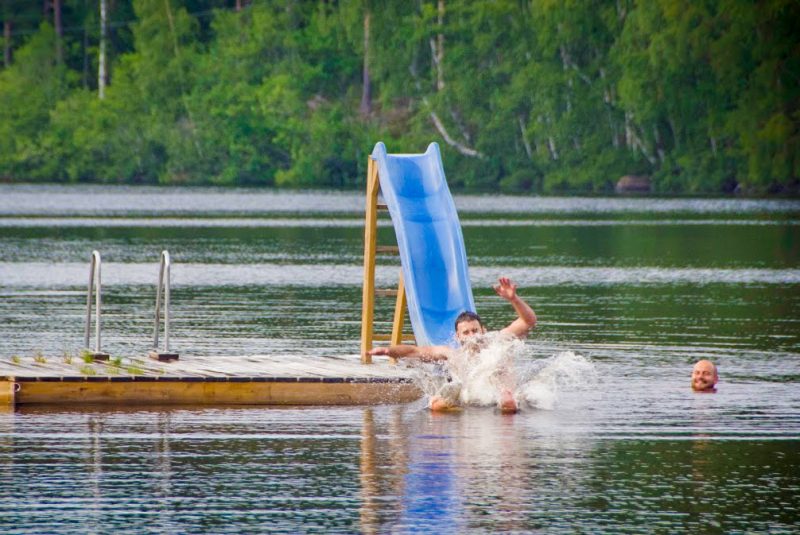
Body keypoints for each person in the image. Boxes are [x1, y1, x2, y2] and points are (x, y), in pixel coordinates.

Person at [367, 277, 537, 412]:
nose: (472, 336)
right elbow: (414, 351)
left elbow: (528, 321)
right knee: (437, 404)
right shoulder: (451, 354)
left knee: (507, 400)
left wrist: (514, 299)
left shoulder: (497, 341)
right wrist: (388, 350)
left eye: (475, 330)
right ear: (457, 336)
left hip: (499, 396)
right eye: (466, 332)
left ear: (483, 330)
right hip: (470, 399)